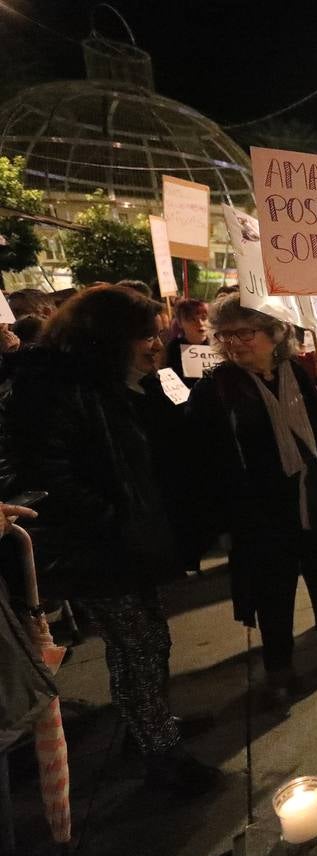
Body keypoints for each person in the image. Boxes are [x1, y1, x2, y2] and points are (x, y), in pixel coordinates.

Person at [8, 284, 220, 794]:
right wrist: (115, 519)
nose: (156, 344)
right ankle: (160, 756)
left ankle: (151, 728)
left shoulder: (115, 383)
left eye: (157, 334)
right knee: (140, 644)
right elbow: (50, 477)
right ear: (107, 338)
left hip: (121, 543)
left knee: (144, 642)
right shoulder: (55, 387)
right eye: (144, 336)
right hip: (95, 550)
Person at [189, 296, 317, 703]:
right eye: (225, 335)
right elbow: (202, 453)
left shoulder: (308, 370)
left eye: (245, 333)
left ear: (275, 333)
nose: (234, 343)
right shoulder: (216, 386)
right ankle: (278, 665)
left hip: (315, 494)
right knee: (273, 587)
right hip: (258, 505)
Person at [163, 298, 211, 387]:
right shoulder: (173, 348)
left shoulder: (218, 345)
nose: (200, 323)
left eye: (204, 318)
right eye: (192, 319)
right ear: (180, 323)